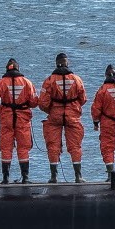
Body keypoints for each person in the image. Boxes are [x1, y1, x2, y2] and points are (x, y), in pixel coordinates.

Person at [38, 53, 88, 183]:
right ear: (67, 63)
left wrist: (52, 109)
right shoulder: (77, 79)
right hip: (72, 115)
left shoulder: (49, 80)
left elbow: (42, 103)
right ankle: (78, 176)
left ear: (56, 63)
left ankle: (54, 176)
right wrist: (73, 107)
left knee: (53, 145)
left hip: (55, 115)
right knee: (75, 146)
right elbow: (83, 99)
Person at [0, 58, 37, 184]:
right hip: (22, 119)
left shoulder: (1, 83)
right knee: (23, 148)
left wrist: (0, 106)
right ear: (18, 68)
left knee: (6, 147)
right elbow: (34, 102)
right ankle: (25, 178)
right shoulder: (27, 82)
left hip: (6, 118)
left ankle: (5, 178)